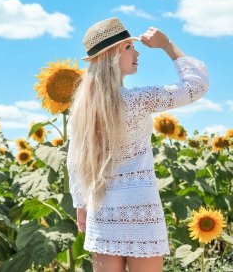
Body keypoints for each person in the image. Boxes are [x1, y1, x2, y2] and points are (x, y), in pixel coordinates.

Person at [67, 17, 209, 272]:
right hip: (141, 211)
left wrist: (80, 205)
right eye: (128, 47)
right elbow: (196, 86)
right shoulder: (138, 100)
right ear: (111, 56)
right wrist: (167, 44)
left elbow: (74, 161)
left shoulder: (82, 109)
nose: (137, 52)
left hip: (102, 209)